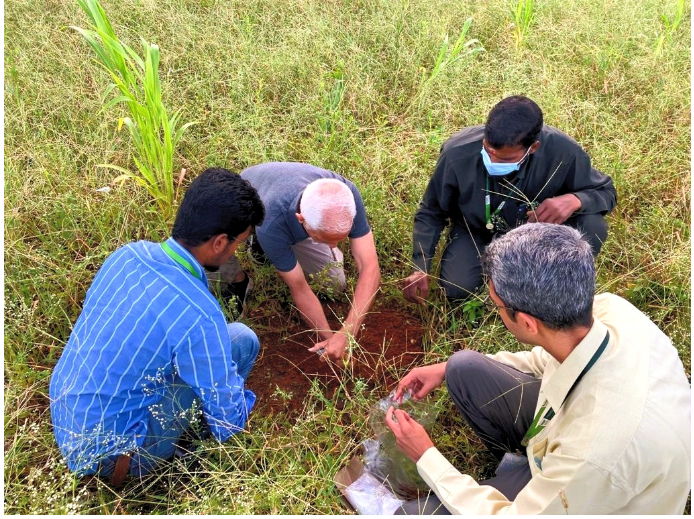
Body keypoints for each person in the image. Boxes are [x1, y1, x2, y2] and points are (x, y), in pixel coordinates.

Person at [386, 223, 691, 514]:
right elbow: (547, 359)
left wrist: (426, 456)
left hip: (596, 498)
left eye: (498, 306)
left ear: (528, 322)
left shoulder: (596, 451)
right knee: (462, 366)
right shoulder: (610, 309)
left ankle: (525, 478)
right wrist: (445, 368)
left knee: (410, 515)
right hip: (572, 446)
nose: (498, 312)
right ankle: (523, 464)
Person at [49, 168, 265, 484]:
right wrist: (239, 413)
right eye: (239, 243)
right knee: (242, 341)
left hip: (67, 418)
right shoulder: (197, 312)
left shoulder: (125, 256)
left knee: (227, 341)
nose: (237, 252)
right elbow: (228, 415)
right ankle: (190, 452)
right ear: (220, 242)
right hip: (113, 460)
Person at [403, 95, 617, 303]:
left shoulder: (563, 152)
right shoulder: (457, 153)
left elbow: (606, 191)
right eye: (488, 150)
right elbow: (431, 211)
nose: (493, 159)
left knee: (592, 223)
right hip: (476, 230)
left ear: (533, 147)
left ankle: (557, 282)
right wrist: (420, 267)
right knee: (457, 290)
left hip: (533, 237)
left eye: (505, 158)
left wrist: (574, 199)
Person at [231, 162, 381, 361]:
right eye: (324, 240)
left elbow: (370, 266)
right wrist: (328, 341)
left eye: (339, 240)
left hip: (294, 211)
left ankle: (299, 242)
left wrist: (346, 334)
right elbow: (299, 287)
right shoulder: (272, 222)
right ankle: (258, 244)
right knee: (260, 234)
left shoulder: (346, 196)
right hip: (254, 201)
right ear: (302, 219)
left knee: (335, 284)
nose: (332, 246)